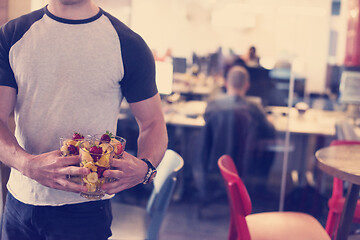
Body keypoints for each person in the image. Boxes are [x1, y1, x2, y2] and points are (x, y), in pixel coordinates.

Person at [0, 0, 168, 239]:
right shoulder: (12, 34)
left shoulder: (128, 43)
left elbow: (153, 122)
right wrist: (27, 164)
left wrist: (146, 167)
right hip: (20, 201)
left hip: (86, 208)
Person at [195, 66, 275, 200]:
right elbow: (268, 129)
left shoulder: (212, 105)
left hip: (215, 162)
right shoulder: (254, 107)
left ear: (226, 83)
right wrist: (270, 120)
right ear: (247, 85)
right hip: (244, 163)